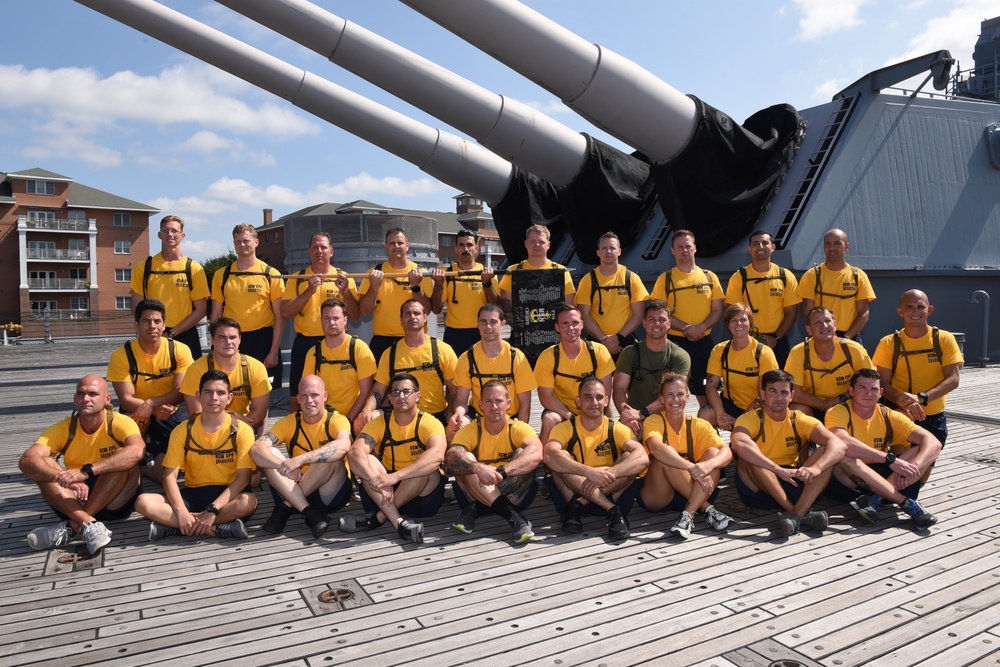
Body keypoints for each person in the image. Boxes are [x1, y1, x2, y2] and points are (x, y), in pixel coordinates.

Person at [19, 375, 145, 556]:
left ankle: (73, 527)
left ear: (107, 399)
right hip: (74, 498)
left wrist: (86, 472)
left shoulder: (119, 422)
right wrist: (63, 478)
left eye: (93, 394)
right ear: (74, 398)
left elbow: (138, 451)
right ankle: (88, 523)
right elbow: (26, 460)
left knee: (123, 459)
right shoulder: (65, 427)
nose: (85, 399)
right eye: (80, 393)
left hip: (114, 500)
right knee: (44, 464)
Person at [135, 370, 258, 541]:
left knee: (248, 501)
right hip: (193, 495)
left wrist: (212, 510)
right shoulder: (182, 430)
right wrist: (181, 511)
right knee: (143, 502)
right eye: (208, 392)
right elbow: (169, 477)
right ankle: (215, 530)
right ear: (198, 396)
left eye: (220, 393)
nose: (214, 398)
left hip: (228, 497)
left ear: (230, 398)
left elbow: (243, 478)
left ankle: (178, 528)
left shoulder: (242, 430)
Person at [730, 370, 847, 536]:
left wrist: (817, 469)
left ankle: (796, 515)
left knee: (826, 452)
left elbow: (839, 445)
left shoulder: (799, 418)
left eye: (784, 392)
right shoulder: (750, 418)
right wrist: (777, 469)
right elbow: (739, 444)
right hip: (758, 487)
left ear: (791, 395)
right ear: (762, 394)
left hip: (792, 481)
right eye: (773, 391)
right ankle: (801, 512)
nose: (779, 397)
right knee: (748, 457)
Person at [824, 369, 940, 528]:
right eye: (862, 388)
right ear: (851, 391)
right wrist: (889, 459)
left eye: (874, 389)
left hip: (882, 472)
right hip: (850, 477)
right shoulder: (837, 412)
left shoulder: (888, 414)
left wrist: (913, 467)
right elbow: (843, 442)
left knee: (923, 448)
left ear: (881, 393)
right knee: (842, 454)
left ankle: (874, 499)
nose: (868, 393)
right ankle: (903, 502)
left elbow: (933, 442)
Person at [340, 374, 447, 544]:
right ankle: (400, 524)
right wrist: (376, 478)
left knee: (427, 468)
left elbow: (437, 455)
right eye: (395, 393)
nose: (401, 396)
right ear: (389, 399)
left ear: (417, 396)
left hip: (418, 495)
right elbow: (354, 452)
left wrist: (396, 477)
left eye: (406, 391)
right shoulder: (380, 422)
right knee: (366, 459)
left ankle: (377, 519)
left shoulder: (429, 422)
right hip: (382, 493)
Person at [543, 377, 649, 541]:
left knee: (630, 457)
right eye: (588, 397)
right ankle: (613, 511)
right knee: (560, 456)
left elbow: (642, 458)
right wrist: (589, 472)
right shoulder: (564, 428)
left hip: (606, 492)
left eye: (599, 397)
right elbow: (549, 455)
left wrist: (607, 474)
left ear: (606, 401)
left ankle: (580, 503)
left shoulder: (616, 428)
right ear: (578, 401)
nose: (594, 402)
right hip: (574, 491)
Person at [250, 375, 352, 538]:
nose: (309, 400)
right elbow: (256, 449)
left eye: (314, 395)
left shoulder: (337, 420)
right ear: (297, 398)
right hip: (292, 486)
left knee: (330, 455)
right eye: (304, 395)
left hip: (328, 493)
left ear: (325, 396)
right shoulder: (289, 422)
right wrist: (281, 464)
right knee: (270, 454)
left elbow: (343, 445)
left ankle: (285, 508)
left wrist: (300, 460)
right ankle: (309, 513)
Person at [106, 298, 194, 484]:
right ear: (137, 325)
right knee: (122, 448)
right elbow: (126, 399)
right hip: (136, 413)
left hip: (169, 413)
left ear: (164, 325)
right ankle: (140, 448)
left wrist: (152, 403)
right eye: (146, 321)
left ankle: (144, 468)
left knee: (169, 473)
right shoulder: (121, 355)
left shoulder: (179, 350)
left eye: (157, 321)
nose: (152, 326)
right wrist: (150, 408)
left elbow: (181, 392)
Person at [639, 374, 734, 539]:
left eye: (680, 394)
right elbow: (656, 448)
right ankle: (707, 508)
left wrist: (709, 465)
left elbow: (726, 452)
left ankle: (688, 515)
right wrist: (692, 467)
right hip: (659, 496)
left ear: (688, 397)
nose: (675, 399)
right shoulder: (653, 421)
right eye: (669, 394)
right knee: (666, 455)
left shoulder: (699, 425)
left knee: (713, 454)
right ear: (661, 399)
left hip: (689, 491)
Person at [447, 381, 542, 543]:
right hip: (494, 491)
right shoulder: (471, 429)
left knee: (523, 454)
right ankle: (513, 516)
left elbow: (537, 453)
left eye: (499, 401)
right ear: (480, 405)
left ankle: (478, 506)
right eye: (488, 401)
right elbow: (450, 455)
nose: (494, 406)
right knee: (466, 458)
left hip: (502, 486)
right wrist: (477, 468)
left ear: (508, 404)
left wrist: (502, 471)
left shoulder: (518, 428)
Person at [872, 289, 963, 458]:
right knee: (903, 468)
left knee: (921, 475)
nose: (915, 312)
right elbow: (883, 383)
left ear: (930, 310)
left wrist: (920, 398)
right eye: (909, 307)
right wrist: (905, 402)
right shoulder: (888, 343)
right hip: (900, 412)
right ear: (900, 312)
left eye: (920, 307)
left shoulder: (944, 339)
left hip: (933, 415)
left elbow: (953, 379)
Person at [281, 232, 360, 413]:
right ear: (309, 252)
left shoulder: (343, 277)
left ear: (331, 252)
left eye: (323, 247)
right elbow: (285, 312)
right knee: (297, 397)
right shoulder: (298, 277)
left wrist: (347, 292)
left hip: (335, 344)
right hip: (305, 342)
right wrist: (309, 290)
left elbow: (355, 315)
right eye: (315, 247)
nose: (319, 251)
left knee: (334, 392)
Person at [650, 229, 724, 406]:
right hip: (674, 343)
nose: (684, 250)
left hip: (703, 342)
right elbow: (661, 313)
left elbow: (717, 310)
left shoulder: (709, 277)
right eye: (679, 247)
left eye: (688, 246)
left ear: (695, 248)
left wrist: (700, 328)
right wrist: (688, 329)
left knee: (705, 390)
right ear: (672, 250)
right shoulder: (665, 279)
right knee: (670, 390)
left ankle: (708, 428)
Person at [210, 223, 285, 389]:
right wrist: (215, 343)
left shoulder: (271, 274)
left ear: (256, 242)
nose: (241, 244)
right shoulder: (222, 275)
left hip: (263, 339)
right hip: (232, 339)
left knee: (263, 391)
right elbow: (215, 314)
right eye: (237, 241)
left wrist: (273, 351)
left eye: (245, 240)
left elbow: (279, 317)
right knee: (230, 388)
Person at [364, 299, 458, 425]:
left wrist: (451, 413)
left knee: (458, 423)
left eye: (416, 313)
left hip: (434, 416)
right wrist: (367, 410)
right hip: (398, 417)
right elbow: (378, 390)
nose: (412, 317)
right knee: (367, 418)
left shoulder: (442, 349)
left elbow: (455, 389)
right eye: (407, 314)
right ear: (401, 319)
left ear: (425, 318)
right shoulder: (390, 353)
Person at [448, 303, 536, 437]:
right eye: (483, 322)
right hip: (479, 415)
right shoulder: (467, 358)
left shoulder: (516, 357)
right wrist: (459, 413)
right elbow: (461, 400)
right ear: (477, 324)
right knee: (453, 430)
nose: (488, 327)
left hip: (510, 416)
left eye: (493, 322)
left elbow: (525, 403)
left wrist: (518, 434)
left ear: (503, 324)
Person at [533, 303, 616, 444]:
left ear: (582, 325)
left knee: (609, 420)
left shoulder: (599, 352)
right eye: (565, 323)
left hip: (593, 406)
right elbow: (546, 398)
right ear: (557, 327)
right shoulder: (547, 357)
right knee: (549, 419)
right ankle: (542, 460)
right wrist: (571, 417)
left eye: (575, 323)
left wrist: (586, 416)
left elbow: (605, 394)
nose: (571, 328)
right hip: (563, 412)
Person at [130, 215, 209, 359]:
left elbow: (201, 309)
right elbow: (136, 307)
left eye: (174, 231)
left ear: (182, 235)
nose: (170, 234)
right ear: (159, 235)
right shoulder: (143, 267)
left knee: (190, 380)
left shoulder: (194, 268)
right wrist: (153, 329)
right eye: (165, 231)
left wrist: (172, 333)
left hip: (185, 334)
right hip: (153, 334)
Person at [613, 300, 691, 437]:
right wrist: (628, 416)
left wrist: (642, 413)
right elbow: (619, 389)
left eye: (662, 320)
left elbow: (675, 396)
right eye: (651, 319)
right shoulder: (629, 353)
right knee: (624, 444)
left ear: (669, 324)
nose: (657, 324)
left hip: (668, 419)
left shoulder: (680, 356)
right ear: (644, 323)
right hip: (635, 421)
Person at [179, 318, 271, 435]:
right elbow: (196, 413)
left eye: (233, 337)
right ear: (212, 339)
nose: (228, 342)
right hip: (208, 430)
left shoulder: (256, 367)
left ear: (240, 340)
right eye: (222, 338)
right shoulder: (196, 369)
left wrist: (235, 427)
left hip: (243, 428)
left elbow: (259, 414)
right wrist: (232, 417)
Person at [301, 298, 377, 434]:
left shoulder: (359, 348)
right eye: (326, 318)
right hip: (325, 417)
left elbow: (366, 392)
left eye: (336, 318)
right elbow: (308, 392)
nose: (331, 322)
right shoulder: (313, 352)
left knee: (370, 419)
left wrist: (347, 420)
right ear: (321, 321)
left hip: (353, 416)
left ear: (345, 320)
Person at [725, 230, 800, 367]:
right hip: (747, 339)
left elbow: (791, 313)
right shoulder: (739, 277)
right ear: (749, 249)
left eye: (765, 243)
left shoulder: (785, 276)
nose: (760, 247)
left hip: (778, 341)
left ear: (773, 247)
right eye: (755, 244)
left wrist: (775, 338)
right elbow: (733, 313)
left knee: (779, 382)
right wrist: (751, 337)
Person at [699, 303, 779, 431]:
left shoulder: (764, 353)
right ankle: (716, 446)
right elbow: (711, 386)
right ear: (728, 325)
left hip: (757, 408)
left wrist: (740, 421)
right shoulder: (720, 350)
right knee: (705, 414)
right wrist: (720, 415)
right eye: (733, 321)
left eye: (743, 320)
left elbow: (763, 394)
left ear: (750, 323)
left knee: (741, 444)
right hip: (731, 405)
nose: (738, 324)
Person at [359, 228, 434, 361]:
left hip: (414, 339)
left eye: (400, 243)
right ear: (386, 246)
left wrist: (416, 286)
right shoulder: (374, 273)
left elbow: (427, 309)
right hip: (383, 341)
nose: (396, 246)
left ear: (407, 246)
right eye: (392, 243)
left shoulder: (421, 273)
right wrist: (374, 287)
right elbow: (364, 310)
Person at [785, 307, 872, 419]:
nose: (824, 326)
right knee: (796, 411)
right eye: (817, 323)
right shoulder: (798, 352)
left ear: (835, 325)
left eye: (827, 321)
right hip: (814, 405)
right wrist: (825, 405)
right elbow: (795, 393)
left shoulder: (854, 349)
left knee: (865, 403)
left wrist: (841, 398)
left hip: (846, 403)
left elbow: (870, 384)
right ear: (809, 330)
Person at [576, 231, 648, 356]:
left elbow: (638, 314)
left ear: (619, 251)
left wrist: (618, 338)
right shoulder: (587, 281)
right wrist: (604, 339)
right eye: (604, 248)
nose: (608, 251)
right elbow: (584, 315)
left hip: (625, 341)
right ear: (598, 253)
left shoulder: (631, 278)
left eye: (612, 248)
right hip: (597, 342)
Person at [430, 230, 501, 356]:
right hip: (454, 334)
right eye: (461, 245)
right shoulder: (447, 274)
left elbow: (496, 307)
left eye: (469, 245)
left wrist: (487, 283)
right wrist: (439, 284)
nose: (466, 249)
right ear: (456, 249)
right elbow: (436, 309)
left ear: (476, 248)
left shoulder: (487, 274)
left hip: (481, 332)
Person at [797, 228, 876, 341]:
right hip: (821, 336)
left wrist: (846, 338)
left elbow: (863, 312)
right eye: (827, 244)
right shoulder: (811, 276)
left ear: (846, 246)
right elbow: (807, 313)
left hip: (850, 337)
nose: (832, 248)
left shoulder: (858, 276)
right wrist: (823, 336)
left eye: (837, 243)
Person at [497, 224, 575, 321]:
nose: (537, 245)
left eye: (541, 242)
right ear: (526, 244)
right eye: (532, 241)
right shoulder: (513, 271)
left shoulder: (561, 271)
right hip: (521, 330)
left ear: (548, 245)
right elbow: (506, 308)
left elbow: (568, 306)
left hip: (554, 331)